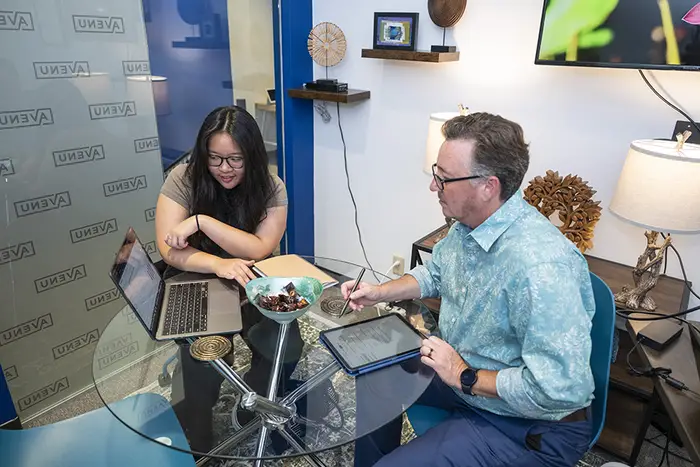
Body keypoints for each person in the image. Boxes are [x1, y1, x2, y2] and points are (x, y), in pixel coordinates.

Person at [344, 112, 595, 467]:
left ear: (488, 186)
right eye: (436, 173)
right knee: (374, 372)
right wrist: (379, 292)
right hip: (465, 380)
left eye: (443, 179)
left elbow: (559, 390)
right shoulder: (469, 225)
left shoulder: (541, 267)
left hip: (528, 424)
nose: (433, 187)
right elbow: (436, 272)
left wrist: (464, 374)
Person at [155, 105, 303, 454]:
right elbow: (168, 249)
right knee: (203, 362)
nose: (224, 169)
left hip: (254, 279)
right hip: (198, 278)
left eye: (235, 159)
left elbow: (260, 247)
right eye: (214, 158)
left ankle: (249, 399)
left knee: (286, 347)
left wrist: (202, 222)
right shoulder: (182, 178)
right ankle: (200, 438)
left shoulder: (272, 187)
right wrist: (217, 264)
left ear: (252, 156)